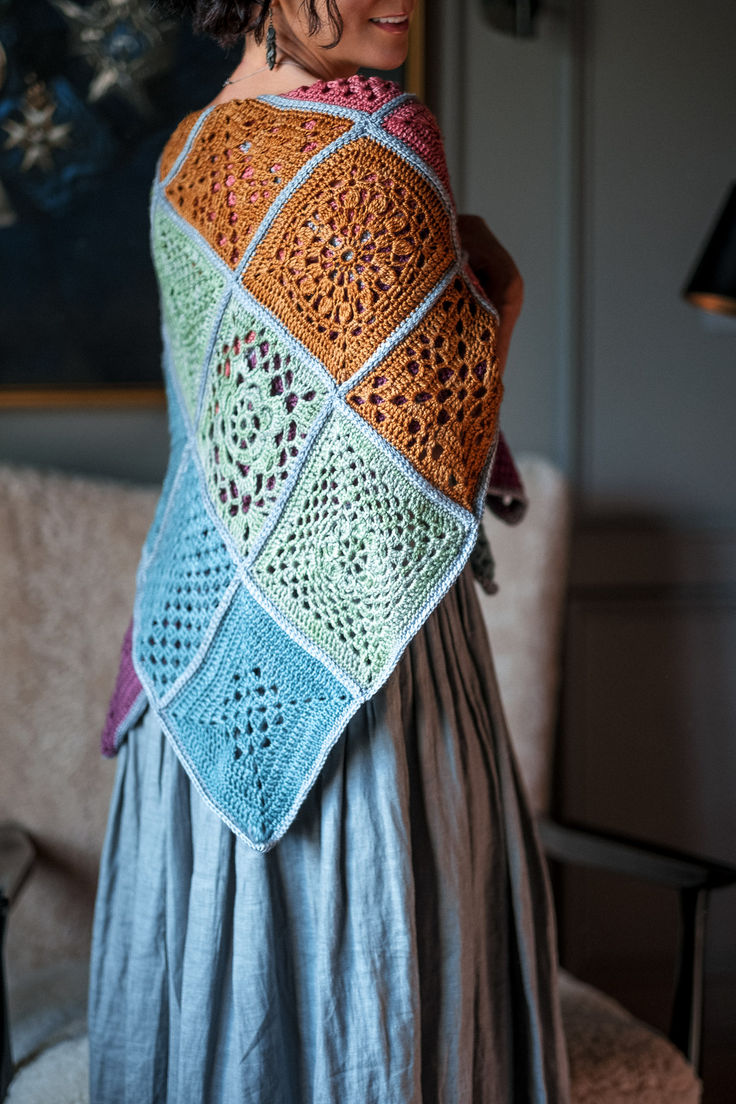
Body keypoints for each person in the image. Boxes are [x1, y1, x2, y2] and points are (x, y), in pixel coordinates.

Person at [88, 1, 571, 1101]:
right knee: (385, 1018)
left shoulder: (180, 163)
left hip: (199, 676)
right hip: (374, 689)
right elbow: (426, 434)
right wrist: (499, 301)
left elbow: (239, 440)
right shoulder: (381, 138)